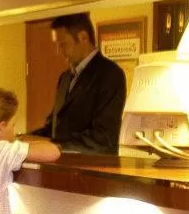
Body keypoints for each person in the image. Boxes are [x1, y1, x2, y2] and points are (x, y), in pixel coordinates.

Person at [27, 12, 127, 154]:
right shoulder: (65, 78)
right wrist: (24, 139)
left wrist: (54, 144)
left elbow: (103, 139)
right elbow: (54, 128)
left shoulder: (110, 74)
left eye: (63, 44)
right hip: (62, 163)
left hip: (92, 165)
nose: (59, 51)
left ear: (83, 37)